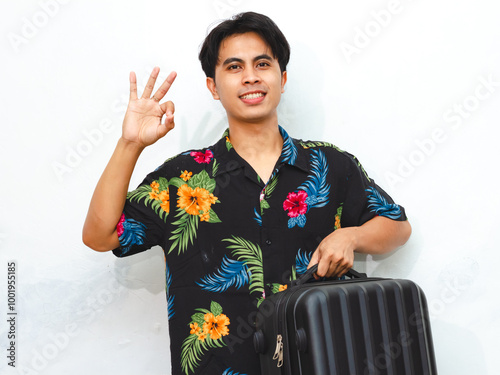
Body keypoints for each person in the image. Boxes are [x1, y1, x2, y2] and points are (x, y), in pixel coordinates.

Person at [83, 11, 411, 375]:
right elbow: (100, 236)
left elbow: (397, 227)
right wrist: (130, 144)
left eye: (262, 64)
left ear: (282, 78)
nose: (251, 76)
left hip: (317, 364)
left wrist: (352, 235)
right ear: (213, 86)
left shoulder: (329, 165)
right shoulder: (182, 179)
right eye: (234, 67)